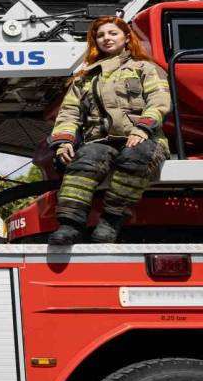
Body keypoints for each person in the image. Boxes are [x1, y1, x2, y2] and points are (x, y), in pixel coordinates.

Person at [47, 16, 171, 245]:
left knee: (136, 156)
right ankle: (70, 226)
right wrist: (64, 142)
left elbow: (159, 101)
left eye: (113, 33)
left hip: (145, 139)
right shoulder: (84, 78)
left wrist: (142, 129)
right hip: (100, 142)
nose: (106, 38)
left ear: (126, 38)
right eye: (101, 35)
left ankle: (111, 221)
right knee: (84, 161)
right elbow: (69, 114)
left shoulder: (146, 68)